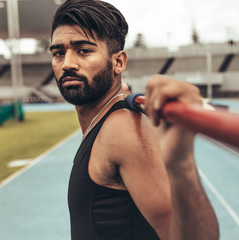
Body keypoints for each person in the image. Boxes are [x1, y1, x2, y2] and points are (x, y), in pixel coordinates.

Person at [50, 0, 219, 239]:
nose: (67, 63)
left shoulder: (122, 129)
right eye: (58, 53)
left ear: (118, 62)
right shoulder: (105, 120)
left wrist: (183, 163)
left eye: (84, 50)